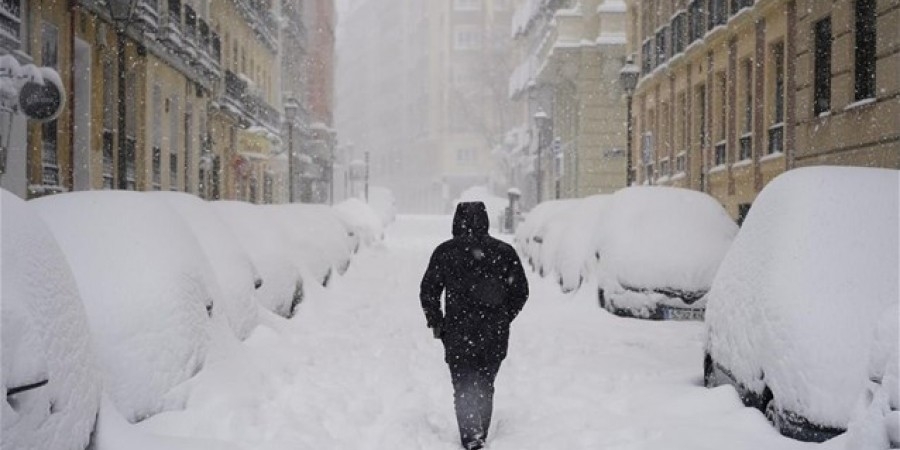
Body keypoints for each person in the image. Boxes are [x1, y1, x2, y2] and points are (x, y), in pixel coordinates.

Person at [420, 202, 529, 450]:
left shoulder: (445, 253)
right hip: (494, 332)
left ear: (456, 221)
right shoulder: (504, 252)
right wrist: (503, 316)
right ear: (486, 220)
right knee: (485, 382)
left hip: (458, 332)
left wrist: (437, 322)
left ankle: (471, 436)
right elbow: (520, 291)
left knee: (463, 383)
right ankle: (478, 430)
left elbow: (429, 291)